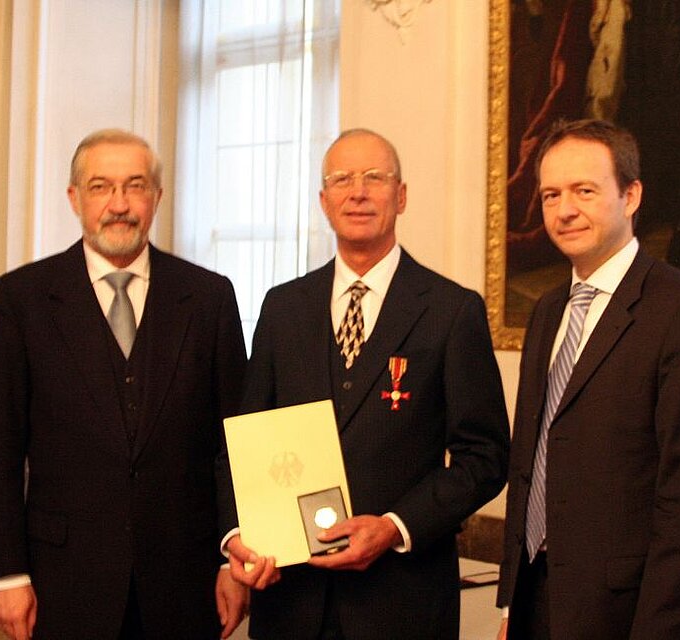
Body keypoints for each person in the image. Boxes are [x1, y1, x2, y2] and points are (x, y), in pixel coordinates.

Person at [216, 128, 510, 639]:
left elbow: (483, 458)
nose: (358, 191)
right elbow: (243, 443)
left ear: (401, 196)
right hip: (291, 604)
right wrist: (237, 536)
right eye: (342, 179)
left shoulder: (450, 310)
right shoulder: (282, 307)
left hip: (401, 604)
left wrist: (395, 527)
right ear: (324, 201)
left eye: (375, 177)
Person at [0, 129, 248, 640]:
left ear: (158, 198)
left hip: (185, 582)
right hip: (62, 580)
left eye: (136, 186)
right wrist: (7, 573)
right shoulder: (22, 300)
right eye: (101, 187)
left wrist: (228, 558)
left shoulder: (209, 297)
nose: (119, 204)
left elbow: (234, 443)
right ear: (75, 198)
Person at [496, 119, 680, 639]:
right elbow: (533, 461)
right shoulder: (546, 311)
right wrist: (511, 607)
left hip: (639, 618)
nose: (564, 210)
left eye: (584, 191)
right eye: (550, 195)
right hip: (543, 607)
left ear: (631, 195)